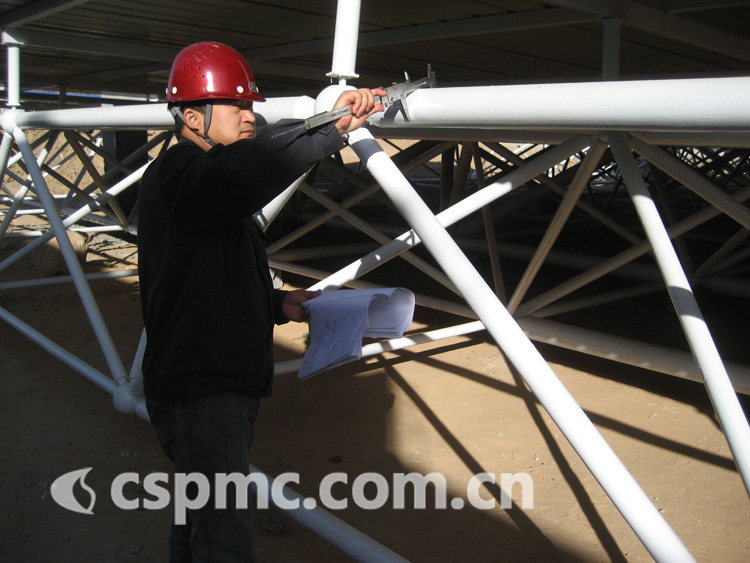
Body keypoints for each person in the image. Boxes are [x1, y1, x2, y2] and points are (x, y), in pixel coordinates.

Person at [137, 41, 385, 562]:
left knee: (197, 524)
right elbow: (243, 170)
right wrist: (331, 125)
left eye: (250, 105)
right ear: (193, 118)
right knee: (223, 541)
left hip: (210, 387)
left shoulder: (201, 189)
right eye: (236, 106)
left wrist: (278, 304)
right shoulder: (182, 175)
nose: (250, 116)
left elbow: (207, 279)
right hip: (201, 395)